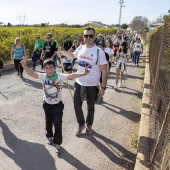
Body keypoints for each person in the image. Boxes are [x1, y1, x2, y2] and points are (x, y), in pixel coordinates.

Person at [20, 58, 90, 154]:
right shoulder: (43, 76)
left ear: (54, 68)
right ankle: (49, 136)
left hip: (58, 105)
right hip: (47, 104)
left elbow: (71, 75)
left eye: (51, 67)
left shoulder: (60, 76)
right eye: (47, 68)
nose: (49, 70)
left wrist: (83, 74)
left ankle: (57, 143)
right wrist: (24, 66)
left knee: (57, 123)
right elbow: (31, 74)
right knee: (48, 121)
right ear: (44, 69)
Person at [57, 27, 107, 136]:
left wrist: (103, 87)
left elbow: (104, 70)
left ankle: (89, 125)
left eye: (90, 35)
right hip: (79, 82)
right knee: (76, 105)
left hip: (92, 84)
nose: (88, 38)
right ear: (83, 37)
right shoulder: (80, 48)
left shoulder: (99, 52)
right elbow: (72, 55)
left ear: (94, 36)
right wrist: (62, 52)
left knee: (90, 106)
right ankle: (81, 124)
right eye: (86, 36)